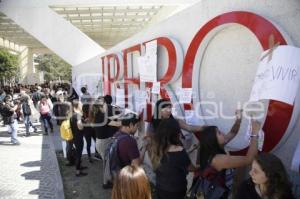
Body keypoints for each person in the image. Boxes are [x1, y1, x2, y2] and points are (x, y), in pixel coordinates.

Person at [196, 115, 261, 198]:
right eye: (219, 133)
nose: (222, 133)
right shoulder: (218, 160)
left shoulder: (216, 147)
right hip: (219, 194)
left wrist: (238, 120)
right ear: (213, 141)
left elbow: (233, 132)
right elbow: (250, 159)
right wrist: (255, 133)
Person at [149, 118, 198, 199]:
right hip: (176, 191)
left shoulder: (156, 147)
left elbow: (172, 161)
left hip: (161, 187)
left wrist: (190, 150)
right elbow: (191, 168)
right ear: (176, 134)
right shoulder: (180, 151)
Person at [70, 100, 87, 177]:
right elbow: (80, 127)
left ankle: (79, 167)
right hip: (78, 137)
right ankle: (78, 171)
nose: (82, 105)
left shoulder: (73, 115)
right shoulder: (78, 115)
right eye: (81, 104)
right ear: (77, 106)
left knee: (78, 153)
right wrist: (84, 124)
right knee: (79, 154)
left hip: (75, 137)